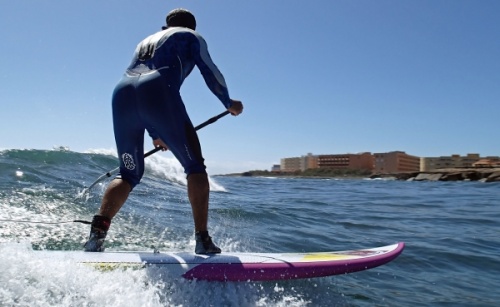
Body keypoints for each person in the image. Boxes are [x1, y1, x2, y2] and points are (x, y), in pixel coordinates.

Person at [84, 8, 243, 254]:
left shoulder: (145, 42)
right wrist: (228, 102)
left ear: (164, 27)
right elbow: (210, 71)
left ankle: (96, 238)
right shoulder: (191, 36)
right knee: (194, 167)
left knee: (128, 173)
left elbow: (139, 89)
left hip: (122, 94)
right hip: (158, 89)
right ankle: (202, 240)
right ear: (192, 27)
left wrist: (155, 134)